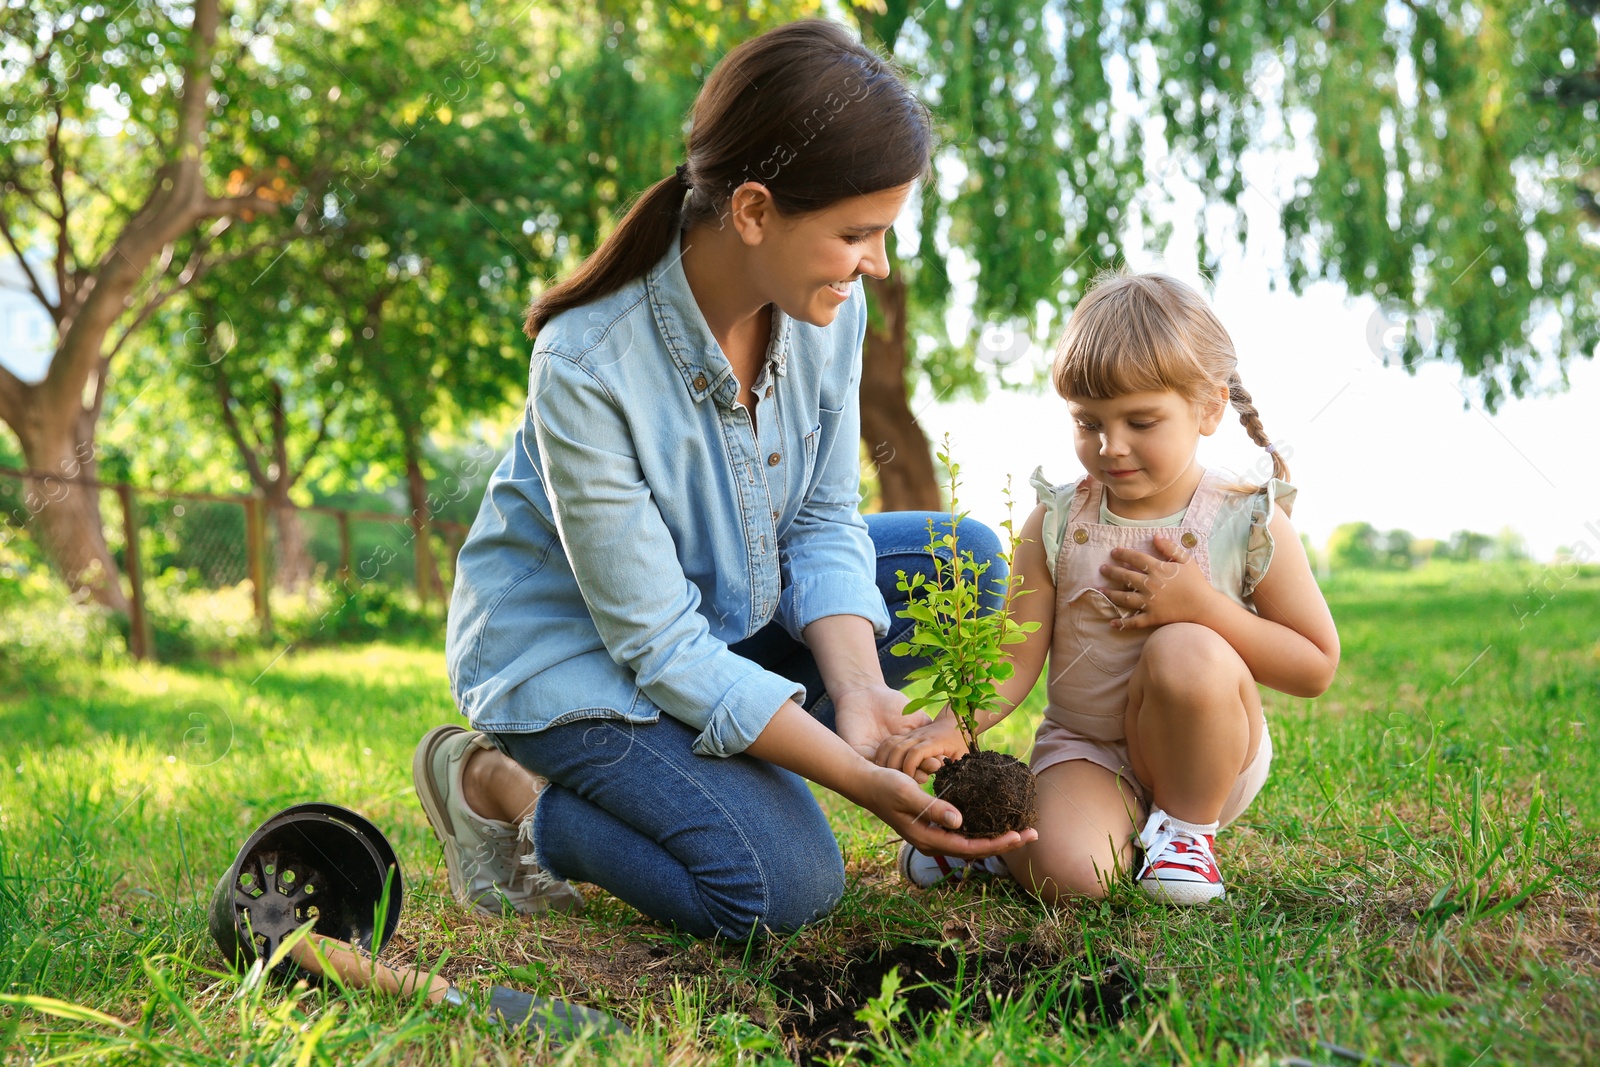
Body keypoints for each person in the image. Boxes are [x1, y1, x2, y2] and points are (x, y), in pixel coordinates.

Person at [412, 19, 1035, 942]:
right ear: (752, 211)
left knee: (963, 560)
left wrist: (859, 691)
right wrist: (852, 774)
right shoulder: (586, 363)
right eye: (857, 232)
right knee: (779, 889)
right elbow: (658, 646)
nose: (879, 263)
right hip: (580, 666)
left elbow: (824, 515)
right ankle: (507, 787)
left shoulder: (830, 309)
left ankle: (732, 766)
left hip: (723, 616)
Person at [880, 271, 1341, 905]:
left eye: (1142, 422)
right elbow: (1016, 657)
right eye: (1087, 422)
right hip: (1087, 752)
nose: (1111, 446)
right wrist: (950, 728)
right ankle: (994, 847)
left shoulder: (1248, 520)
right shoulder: (1059, 519)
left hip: (1207, 755)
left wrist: (1201, 608)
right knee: (1074, 880)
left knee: (1185, 648)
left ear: (1209, 407)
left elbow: (1315, 666)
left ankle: (1183, 836)